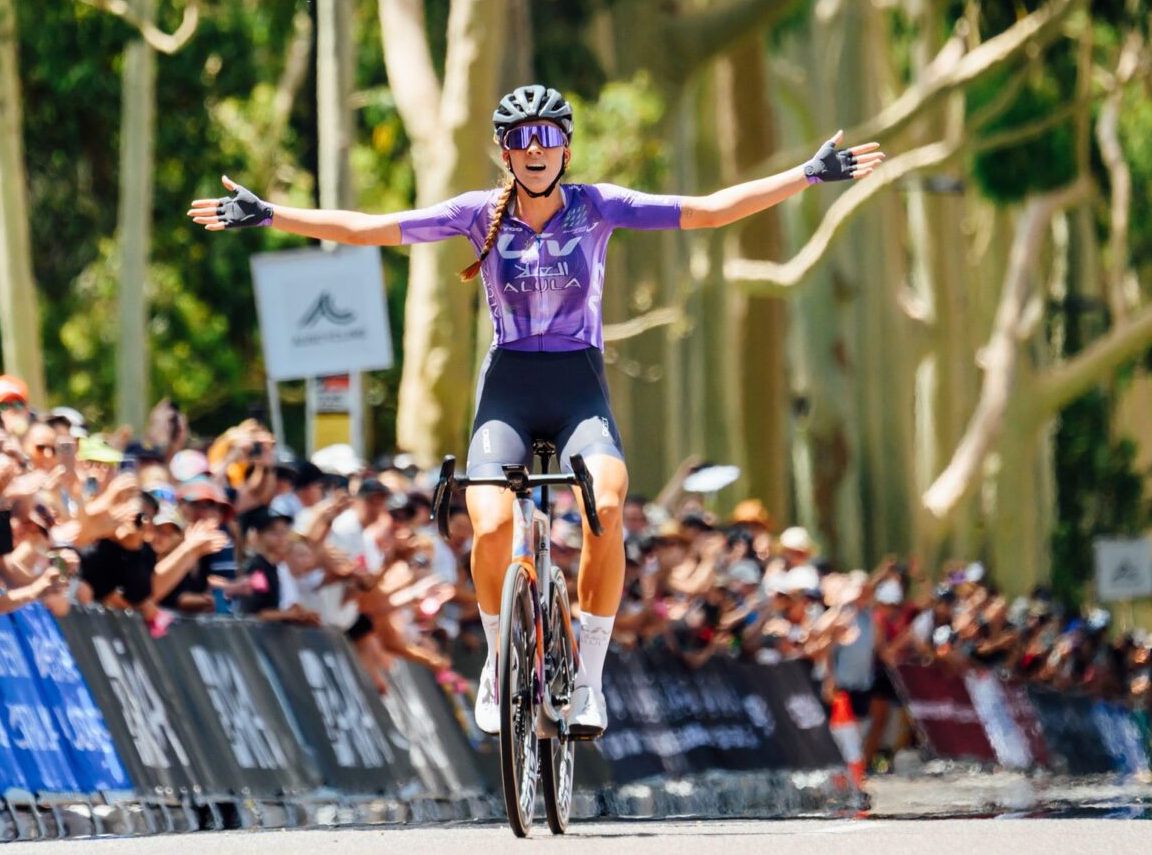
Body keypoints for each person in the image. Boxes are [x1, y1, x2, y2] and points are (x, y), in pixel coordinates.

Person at [190, 83, 883, 736]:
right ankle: (500, 663)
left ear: (566, 149)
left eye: (547, 136)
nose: (534, 149)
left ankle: (588, 679)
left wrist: (806, 175)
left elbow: (708, 210)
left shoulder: (597, 206)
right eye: (520, 139)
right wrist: (271, 214)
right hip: (510, 389)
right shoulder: (476, 215)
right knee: (491, 525)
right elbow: (370, 228)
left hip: (579, 386)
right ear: (505, 152)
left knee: (606, 507)